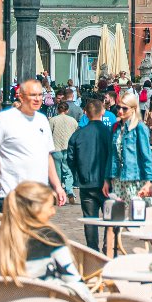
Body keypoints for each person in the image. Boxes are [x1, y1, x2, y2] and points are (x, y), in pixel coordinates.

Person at [0, 180, 106, 302]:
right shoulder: (49, 239)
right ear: (35, 209)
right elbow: (73, 281)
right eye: (50, 207)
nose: (53, 212)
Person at [0, 80, 65, 208]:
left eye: (40, 95)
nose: (37, 99)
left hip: (39, 195)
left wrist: (57, 186)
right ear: (21, 96)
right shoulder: (4, 119)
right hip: (12, 193)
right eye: (32, 95)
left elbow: (47, 156)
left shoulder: (42, 120)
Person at [64, 92, 114, 248]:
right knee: (110, 219)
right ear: (103, 112)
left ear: (85, 113)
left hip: (86, 183)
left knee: (90, 221)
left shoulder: (78, 134)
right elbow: (116, 158)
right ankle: (108, 248)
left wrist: (77, 175)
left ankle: (93, 250)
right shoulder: (110, 133)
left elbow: (70, 159)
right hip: (107, 183)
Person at [108, 90, 152, 200]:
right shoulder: (115, 127)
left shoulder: (139, 127)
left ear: (133, 109)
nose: (120, 111)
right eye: (119, 107)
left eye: (124, 108)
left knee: (135, 213)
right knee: (118, 214)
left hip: (135, 177)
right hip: (117, 177)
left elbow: (146, 155)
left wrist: (149, 181)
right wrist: (107, 178)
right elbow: (111, 155)